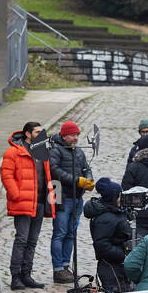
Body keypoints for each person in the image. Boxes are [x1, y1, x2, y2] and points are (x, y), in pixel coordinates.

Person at [1, 121, 53, 289]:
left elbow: (48, 176)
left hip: (39, 203)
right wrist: (16, 195)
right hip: (23, 203)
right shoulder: (13, 152)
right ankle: (15, 276)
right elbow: (6, 176)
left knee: (32, 241)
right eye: (37, 132)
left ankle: (27, 274)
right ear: (27, 134)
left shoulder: (41, 151)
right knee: (21, 239)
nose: (41, 134)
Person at [48, 120, 94, 283]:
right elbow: (55, 171)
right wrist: (77, 181)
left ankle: (66, 265)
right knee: (60, 233)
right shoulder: (56, 150)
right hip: (62, 197)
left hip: (76, 198)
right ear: (64, 135)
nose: (75, 138)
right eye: (72, 135)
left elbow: (86, 168)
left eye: (77, 135)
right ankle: (58, 269)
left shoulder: (79, 152)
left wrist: (88, 179)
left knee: (71, 233)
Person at [84, 177, 132, 293]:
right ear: (112, 197)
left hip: (117, 266)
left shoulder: (115, 212)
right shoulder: (105, 219)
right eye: (119, 196)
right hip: (110, 267)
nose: (121, 199)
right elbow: (101, 246)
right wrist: (123, 254)